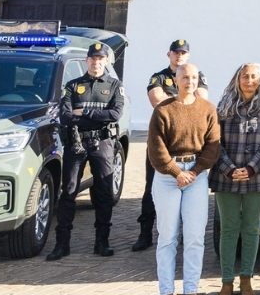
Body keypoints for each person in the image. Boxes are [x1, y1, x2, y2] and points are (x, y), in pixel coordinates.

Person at [147, 62, 220, 295]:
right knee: (168, 236)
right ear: (176, 81)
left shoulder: (208, 109)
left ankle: (191, 289)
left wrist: (195, 172)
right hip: (168, 177)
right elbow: (156, 148)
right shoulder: (163, 110)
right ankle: (166, 291)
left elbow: (213, 146)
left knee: (195, 237)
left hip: (196, 177)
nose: (190, 82)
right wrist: (177, 172)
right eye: (185, 78)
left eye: (194, 78)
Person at [47, 42, 124, 261]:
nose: (96, 63)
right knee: (69, 191)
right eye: (93, 59)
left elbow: (115, 114)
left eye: (101, 59)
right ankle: (62, 244)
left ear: (106, 61)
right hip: (77, 142)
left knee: (104, 193)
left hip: (103, 143)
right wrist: (95, 114)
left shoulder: (114, 85)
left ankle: (102, 242)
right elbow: (65, 116)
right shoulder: (73, 86)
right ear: (86, 61)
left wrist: (85, 111)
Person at [210, 62, 260, 295]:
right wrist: (230, 169)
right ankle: (226, 281)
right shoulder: (223, 107)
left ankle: (246, 278)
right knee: (228, 229)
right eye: (245, 76)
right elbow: (215, 143)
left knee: (251, 228)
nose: (249, 81)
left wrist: (250, 168)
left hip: (257, 178)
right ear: (237, 79)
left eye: (254, 77)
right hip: (225, 177)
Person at [133, 39, 209, 252]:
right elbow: (157, 100)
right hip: (162, 142)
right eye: (176, 52)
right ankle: (145, 234)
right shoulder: (158, 77)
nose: (179, 56)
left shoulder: (197, 76)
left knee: (189, 194)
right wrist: (183, 99)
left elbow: (201, 100)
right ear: (169, 54)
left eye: (183, 53)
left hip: (188, 143)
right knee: (151, 189)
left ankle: (184, 235)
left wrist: (175, 100)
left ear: (188, 55)